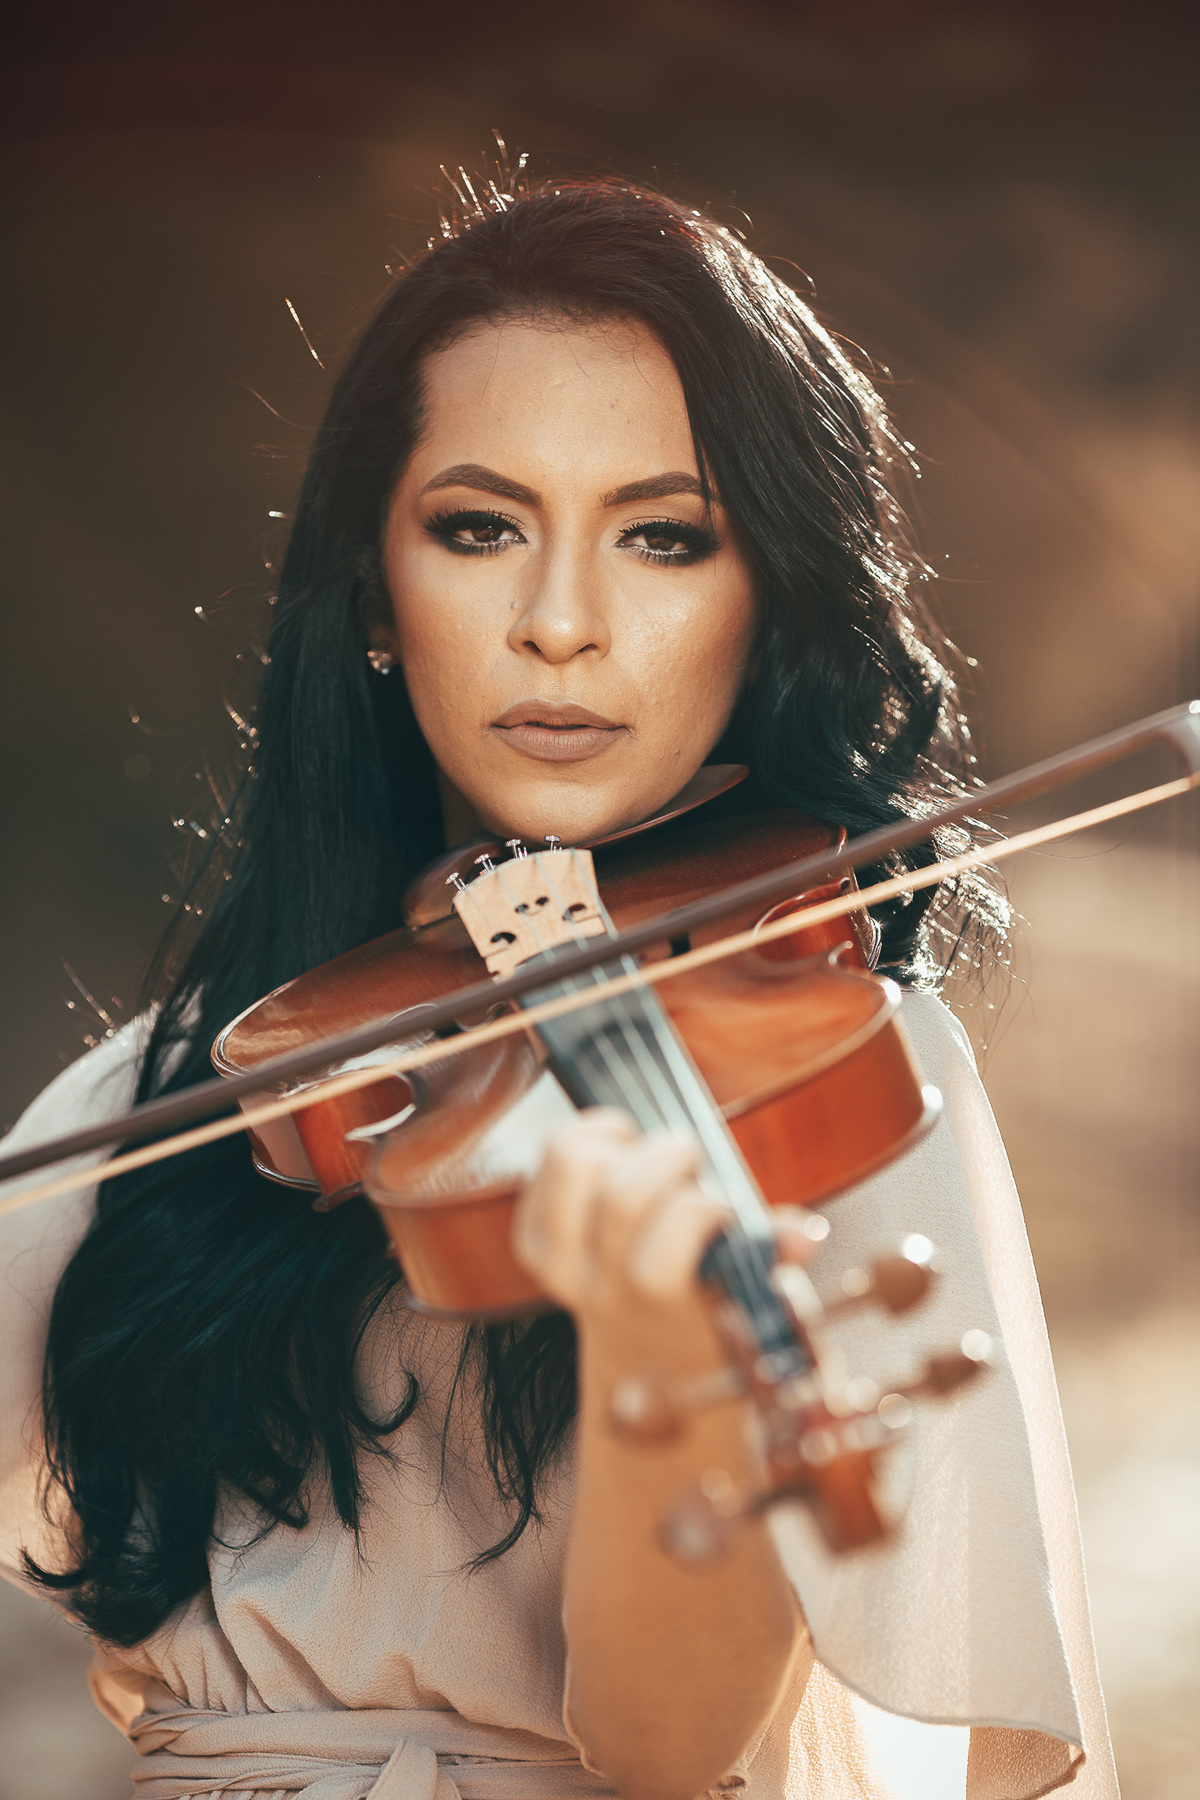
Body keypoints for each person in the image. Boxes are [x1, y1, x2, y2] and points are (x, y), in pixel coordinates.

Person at [0, 173, 1118, 1800]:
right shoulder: (215, 1082)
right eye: (479, 528)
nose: (563, 625)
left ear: (764, 607)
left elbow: (666, 1757)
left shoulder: (829, 1071)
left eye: (664, 538)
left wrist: (672, 1363)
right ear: (379, 597)